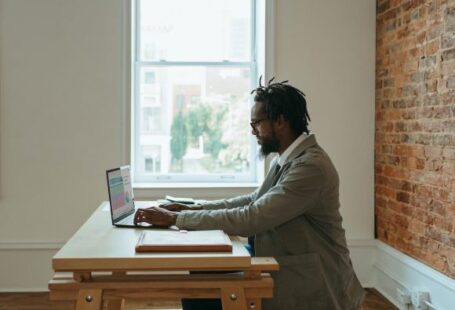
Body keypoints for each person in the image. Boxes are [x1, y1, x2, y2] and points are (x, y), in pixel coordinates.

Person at [134, 78, 365, 310]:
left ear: (280, 121)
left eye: (256, 123)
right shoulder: (286, 159)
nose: (252, 131)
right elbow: (254, 200)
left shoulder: (310, 167)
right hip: (285, 259)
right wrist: (193, 209)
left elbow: (252, 217)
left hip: (315, 281)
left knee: (204, 285)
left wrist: (176, 219)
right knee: (202, 275)